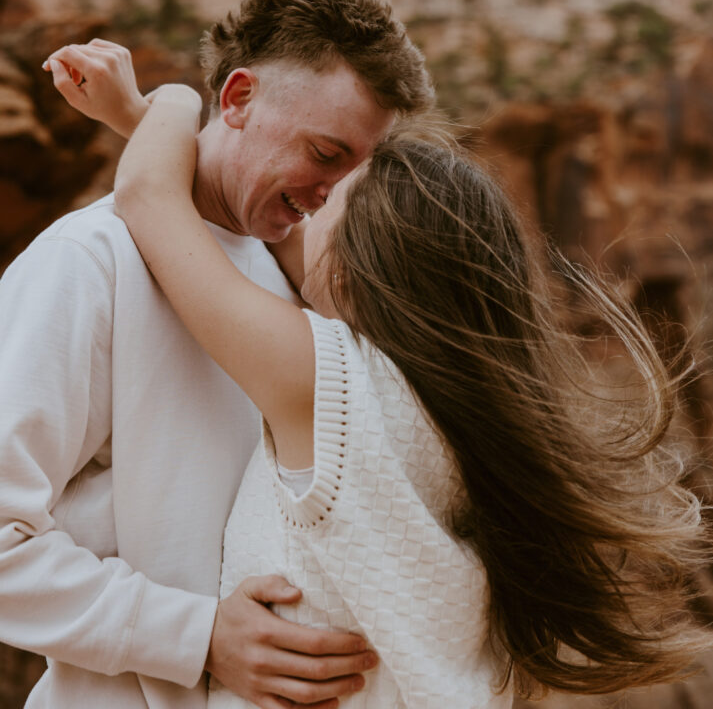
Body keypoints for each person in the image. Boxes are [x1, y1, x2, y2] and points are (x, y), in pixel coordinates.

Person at [52, 45, 711, 706]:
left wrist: (167, 102)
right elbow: (266, 231)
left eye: (326, 201)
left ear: (346, 265)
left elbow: (148, 196)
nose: (304, 207)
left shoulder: (325, 381)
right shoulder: (450, 401)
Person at [0, 0, 433, 709]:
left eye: (356, 171)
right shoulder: (87, 260)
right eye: (325, 153)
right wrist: (195, 636)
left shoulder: (284, 283)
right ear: (236, 99)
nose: (332, 193)